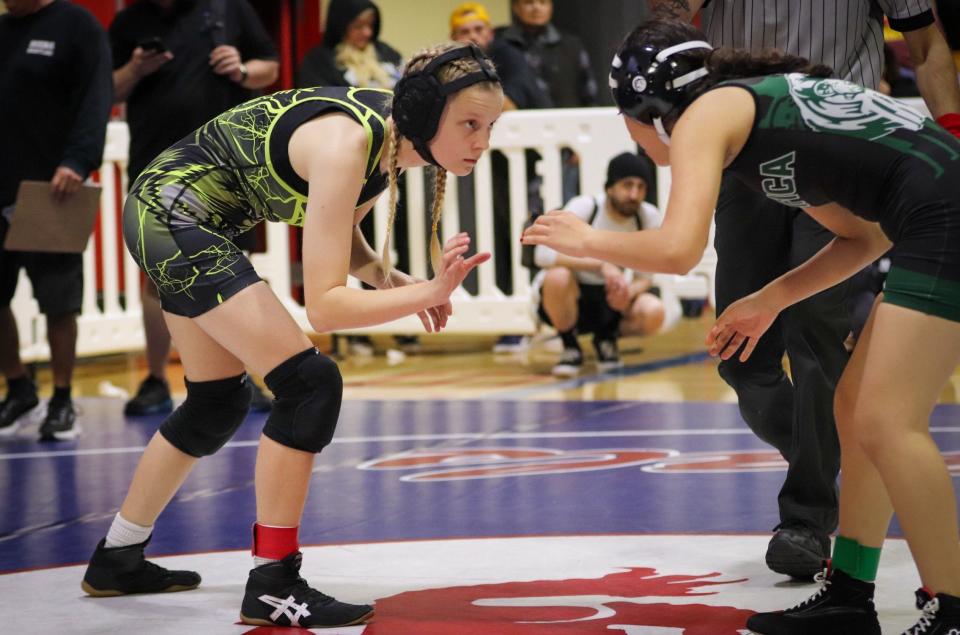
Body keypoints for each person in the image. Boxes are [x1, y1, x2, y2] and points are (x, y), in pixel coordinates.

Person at [522, 18, 960, 633]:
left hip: (944, 215)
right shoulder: (755, 123)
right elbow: (863, 236)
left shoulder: (708, 114)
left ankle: (953, 608)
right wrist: (770, 299)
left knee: (889, 421)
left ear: (645, 109)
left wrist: (589, 239)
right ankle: (850, 595)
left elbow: (678, 249)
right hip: (931, 215)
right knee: (856, 410)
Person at [79, 42, 502, 629]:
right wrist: (425, 294)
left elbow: (344, 243)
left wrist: (397, 282)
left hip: (180, 215)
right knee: (310, 383)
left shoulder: (387, 141)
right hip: (174, 216)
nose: (482, 142)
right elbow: (324, 307)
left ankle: (117, 557)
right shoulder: (348, 143)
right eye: (470, 125)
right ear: (428, 115)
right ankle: (274, 581)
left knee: (215, 404)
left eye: (491, 126)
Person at [648, 0, 960, 579]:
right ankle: (840, 500)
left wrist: (954, 127)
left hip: (842, 155)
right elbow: (667, 17)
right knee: (744, 356)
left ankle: (812, 518)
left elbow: (926, 43)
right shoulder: (720, 115)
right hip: (754, 142)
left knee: (835, 354)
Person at [109, 0, 280, 416]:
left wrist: (241, 70)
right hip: (156, 162)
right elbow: (107, 89)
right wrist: (136, 69)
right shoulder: (130, 20)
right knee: (157, 274)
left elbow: (270, 68)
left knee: (233, 267)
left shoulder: (229, 8)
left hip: (226, 162)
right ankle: (155, 380)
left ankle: (242, 375)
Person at [0, 0, 112, 441]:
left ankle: (63, 398)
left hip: (53, 186)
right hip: (1, 184)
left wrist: (78, 161)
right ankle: (19, 388)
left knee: (59, 300)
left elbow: (95, 97)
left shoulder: (77, 25)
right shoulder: (3, 30)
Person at [532, 152, 673, 377]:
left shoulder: (647, 217)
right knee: (557, 276)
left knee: (654, 312)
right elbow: (542, 255)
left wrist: (627, 292)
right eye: (627, 185)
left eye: (641, 187)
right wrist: (601, 265)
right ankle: (570, 346)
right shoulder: (585, 206)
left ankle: (606, 339)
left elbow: (645, 277)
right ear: (609, 187)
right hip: (571, 294)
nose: (634, 194)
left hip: (609, 297)